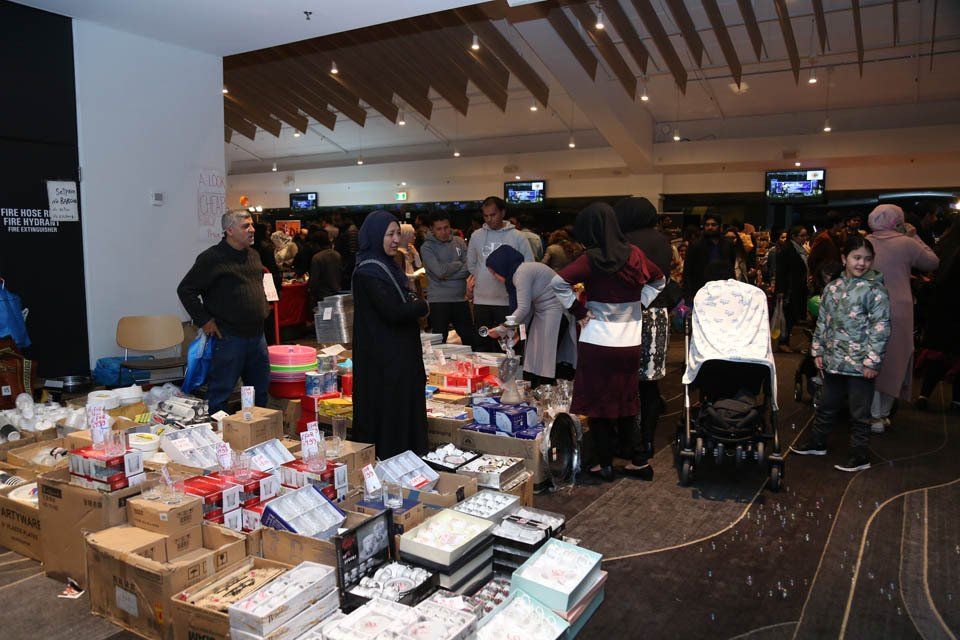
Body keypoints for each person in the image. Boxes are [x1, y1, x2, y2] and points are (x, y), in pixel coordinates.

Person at [553, 203, 664, 483]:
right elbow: (660, 279)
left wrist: (578, 311)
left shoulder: (590, 258)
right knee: (627, 399)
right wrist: (638, 303)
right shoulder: (635, 255)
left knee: (597, 401)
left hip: (596, 340)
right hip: (629, 341)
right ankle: (639, 460)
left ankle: (602, 464)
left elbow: (557, 283)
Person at [791, 235, 891, 472]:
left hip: (860, 365)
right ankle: (817, 442)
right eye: (856, 258)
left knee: (859, 413)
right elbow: (823, 322)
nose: (861, 263)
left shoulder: (876, 291)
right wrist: (817, 350)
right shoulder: (832, 288)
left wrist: (872, 362)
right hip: (833, 360)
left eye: (867, 259)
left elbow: (881, 328)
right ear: (845, 258)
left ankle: (860, 455)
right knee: (826, 404)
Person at [351, 211, 429, 458]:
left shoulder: (386, 266)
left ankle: (408, 460)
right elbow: (394, 310)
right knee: (389, 412)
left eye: (398, 233)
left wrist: (413, 303)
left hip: (398, 356)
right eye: (390, 234)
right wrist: (420, 305)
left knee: (402, 407)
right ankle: (392, 461)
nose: (396, 240)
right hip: (384, 360)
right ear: (374, 236)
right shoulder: (368, 271)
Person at [177, 211, 270, 414]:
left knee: (260, 391)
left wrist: (263, 307)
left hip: (257, 336)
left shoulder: (253, 255)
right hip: (228, 337)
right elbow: (186, 290)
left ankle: (258, 432)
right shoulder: (211, 258)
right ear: (229, 230)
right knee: (221, 392)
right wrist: (204, 321)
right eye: (246, 226)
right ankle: (219, 438)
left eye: (252, 225)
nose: (252, 230)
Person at [614, 196, 675, 480]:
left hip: (628, 314)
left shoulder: (622, 239)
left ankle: (628, 442)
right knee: (650, 382)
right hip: (657, 314)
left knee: (624, 380)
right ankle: (647, 440)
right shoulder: (662, 241)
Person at [865, 204, 939, 432]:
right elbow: (932, 262)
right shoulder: (906, 242)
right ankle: (882, 414)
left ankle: (873, 414)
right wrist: (914, 235)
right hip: (899, 308)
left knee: (869, 359)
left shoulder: (865, 242)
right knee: (896, 358)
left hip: (867, 305)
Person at [484, 245, 576, 387]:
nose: (495, 278)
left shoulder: (522, 273)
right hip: (543, 310)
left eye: (494, 273)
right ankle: (535, 387)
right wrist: (519, 331)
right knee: (533, 354)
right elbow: (528, 308)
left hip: (556, 311)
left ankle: (546, 389)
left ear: (503, 266)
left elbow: (524, 308)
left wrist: (500, 330)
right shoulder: (519, 273)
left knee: (546, 356)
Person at [467, 196, 534, 352]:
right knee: (482, 345)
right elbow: (471, 264)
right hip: (482, 301)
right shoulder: (476, 236)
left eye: (493, 214)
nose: (489, 219)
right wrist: (483, 276)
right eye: (486, 215)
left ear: (503, 213)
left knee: (508, 346)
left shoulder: (518, 236)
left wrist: (509, 280)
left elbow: (528, 265)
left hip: (508, 302)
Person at [916, 217, 960, 410]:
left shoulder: (946, 245)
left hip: (942, 310)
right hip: (955, 311)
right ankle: (957, 400)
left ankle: (924, 394)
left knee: (938, 355)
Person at [421, 212, 474, 347]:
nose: (444, 232)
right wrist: (457, 264)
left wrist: (446, 275)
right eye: (439, 229)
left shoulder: (459, 242)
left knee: (470, 340)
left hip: (460, 299)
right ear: (431, 229)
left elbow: (469, 268)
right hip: (438, 300)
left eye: (446, 227)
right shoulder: (427, 247)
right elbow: (439, 272)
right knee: (439, 343)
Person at [682, 213, 735, 301]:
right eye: (707, 225)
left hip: (724, 289)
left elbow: (731, 266)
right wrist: (688, 294)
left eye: (713, 225)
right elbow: (687, 270)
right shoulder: (695, 244)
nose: (710, 227)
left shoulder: (727, 244)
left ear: (719, 226)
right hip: (701, 289)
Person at [774, 225, 810, 352]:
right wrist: (781, 290)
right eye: (802, 235)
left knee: (791, 316)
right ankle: (783, 342)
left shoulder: (800, 249)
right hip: (788, 289)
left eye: (806, 235)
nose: (805, 238)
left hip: (797, 287)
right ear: (794, 236)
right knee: (787, 316)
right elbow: (781, 272)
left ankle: (785, 341)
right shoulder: (787, 249)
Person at [307, 229, 341, 310]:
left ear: (317, 244)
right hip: (336, 292)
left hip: (322, 296)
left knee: (323, 321)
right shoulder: (337, 255)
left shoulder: (317, 258)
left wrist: (310, 291)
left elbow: (314, 280)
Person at [808, 211, 845, 283]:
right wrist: (817, 276)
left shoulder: (834, 237)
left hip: (833, 275)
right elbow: (812, 259)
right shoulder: (823, 238)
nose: (843, 225)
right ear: (835, 224)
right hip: (825, 277)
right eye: (841, 222)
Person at [398, 223, 424, 293]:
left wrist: (416, 254)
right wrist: (415, 276)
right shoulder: (398, 253)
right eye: (412, 234)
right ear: (406, 236)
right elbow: (399, 274)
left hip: (413, 285)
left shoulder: (410, 250)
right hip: (406, 287)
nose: (414, 237)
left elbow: (418, 266)